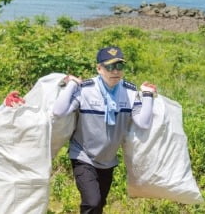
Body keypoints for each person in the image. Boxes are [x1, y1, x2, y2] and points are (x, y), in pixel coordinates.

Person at [53, 46, 157, 214]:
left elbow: (143, 123)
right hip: (83, 155)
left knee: (99, 204)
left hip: (108, 159)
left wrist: (148, 95)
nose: (115, 71)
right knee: (92, 202)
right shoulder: (86, 90)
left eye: (119, 66)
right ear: (99, 68)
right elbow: (58, 111)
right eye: (109, 66)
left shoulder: (130, 92)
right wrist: (72, 84)